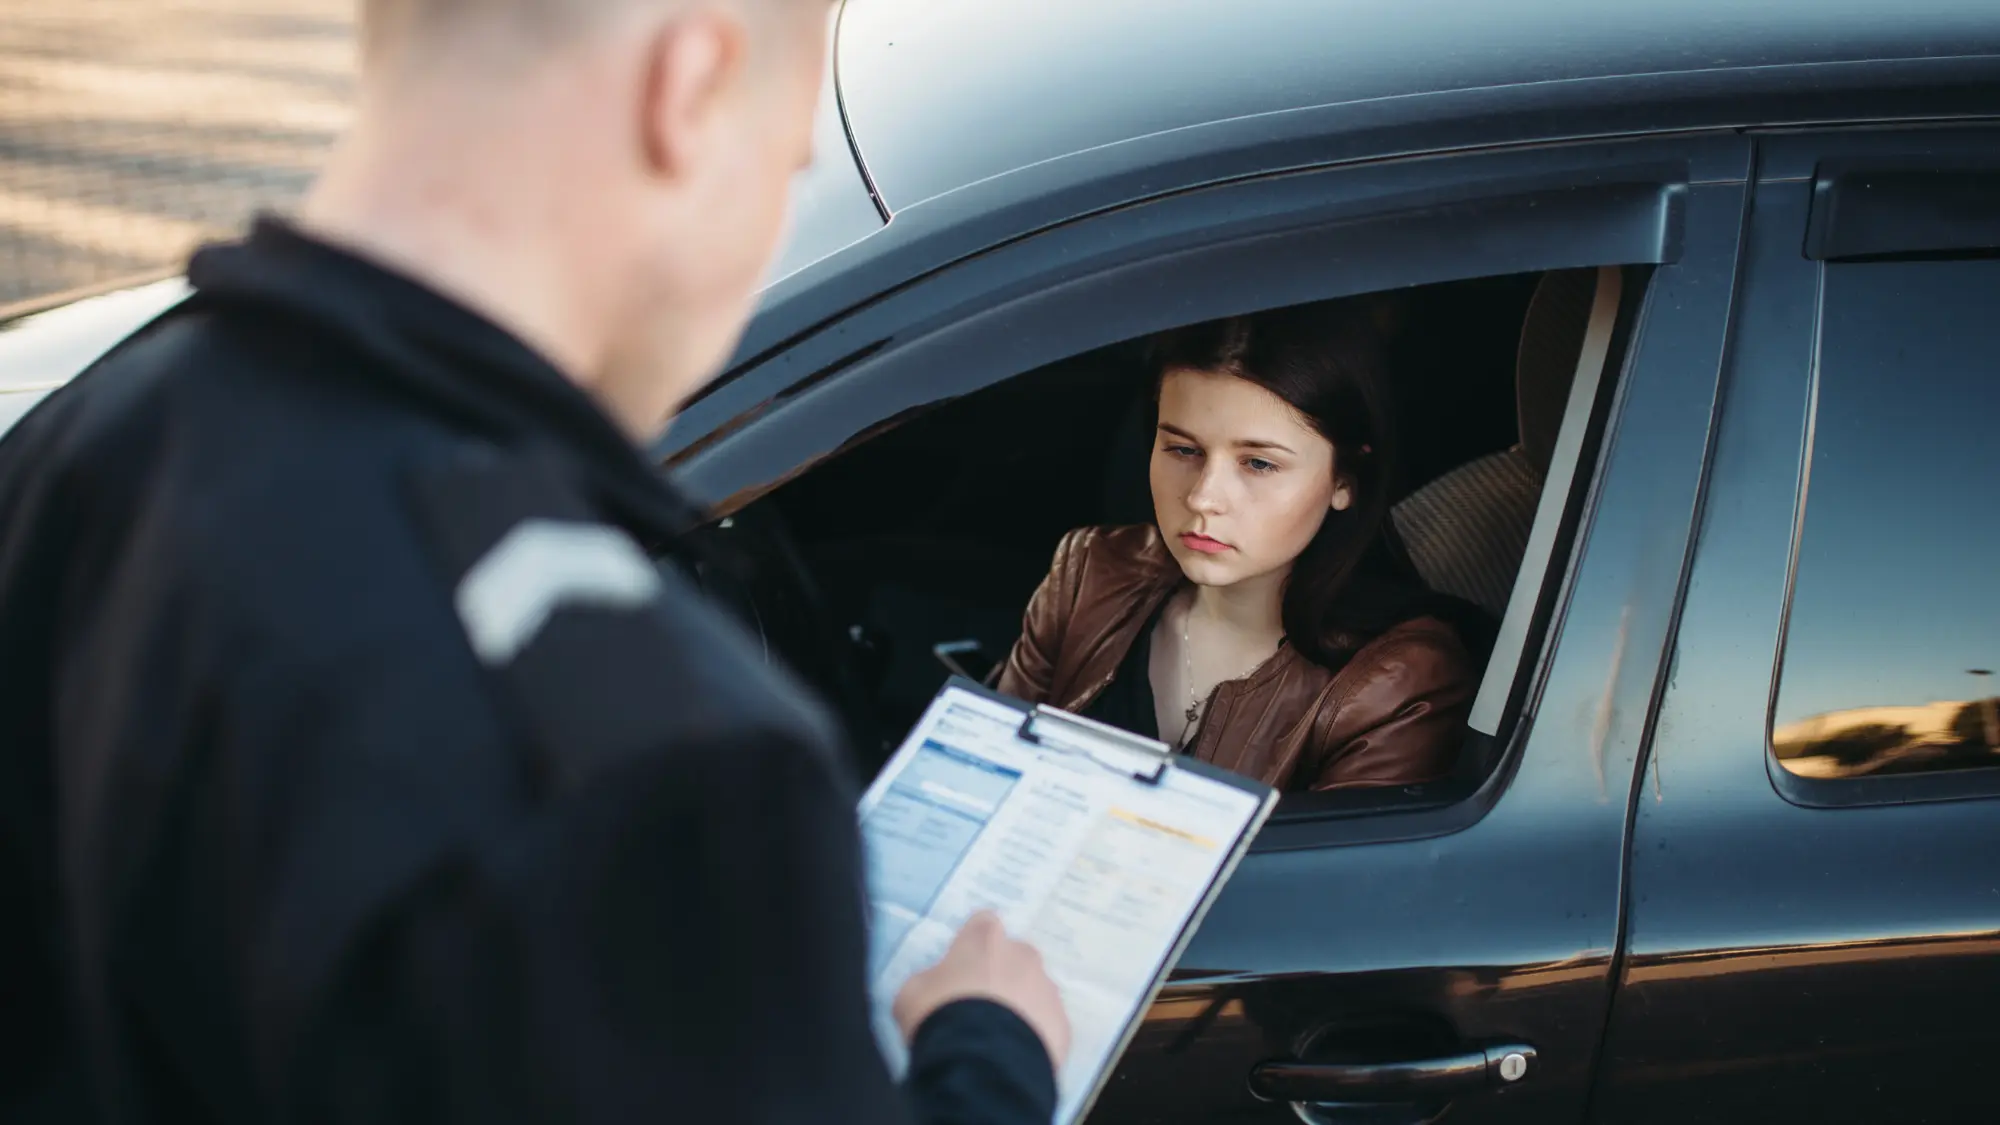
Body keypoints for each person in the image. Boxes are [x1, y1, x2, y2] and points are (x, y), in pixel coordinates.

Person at [0, 1, 1068, 1124]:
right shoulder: (669, 776)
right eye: (789, 167)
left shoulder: (79, 440)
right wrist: (987, 1060)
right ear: (690, 84)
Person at [996, 302, 1481, 792]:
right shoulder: (1091, 574)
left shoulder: (1396, 683)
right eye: (1184, 450)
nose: (1203, 497)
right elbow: (983, 775)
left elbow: (1330, 870)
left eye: (1259, 464)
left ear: (1345, 480)